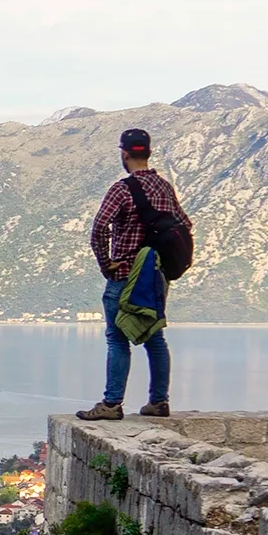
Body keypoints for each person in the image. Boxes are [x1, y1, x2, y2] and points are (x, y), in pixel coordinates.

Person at [79, 126, 186, 420]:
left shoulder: (122, 189)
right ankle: (159, 401)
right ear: (148, 152)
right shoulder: (165, 188)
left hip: (124, 275)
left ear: (124, 154)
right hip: (154, 278)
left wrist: (106, 263)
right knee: (155, 338)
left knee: (117, 339)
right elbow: (184, 225)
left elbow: (99, 228)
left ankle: (112, 404)